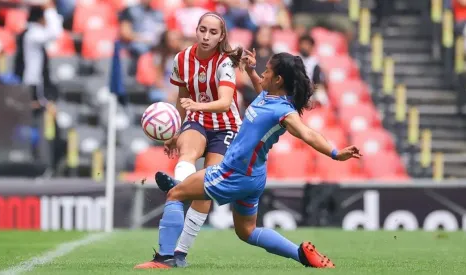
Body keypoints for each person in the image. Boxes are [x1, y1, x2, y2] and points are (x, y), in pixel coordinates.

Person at [134, 50, 362, 269]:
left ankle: (164, 259)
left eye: (267, 71)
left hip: (234, 173)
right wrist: (252, 72)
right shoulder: (269, 96)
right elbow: (261, 90)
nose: (263, 73)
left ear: (279, 79)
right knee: (247, 232)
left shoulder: (283, 111)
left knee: (175, 195)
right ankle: (301, 253)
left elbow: (308, 133)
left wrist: (335, 153)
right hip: (253, 176)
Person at [137, 11, 244, 268]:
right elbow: (181, 98)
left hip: (226, 126)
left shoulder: (225, 63)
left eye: (213, 32)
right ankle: (181, 184)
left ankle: (179, 253)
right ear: (196, 30)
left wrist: (196, 104)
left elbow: (225, 102)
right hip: (196, 121)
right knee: (186, 157)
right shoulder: (181, 59)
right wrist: (174, 131)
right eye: (203, 30)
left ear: (221, 37)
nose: (206, 36)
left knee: (205, 186)